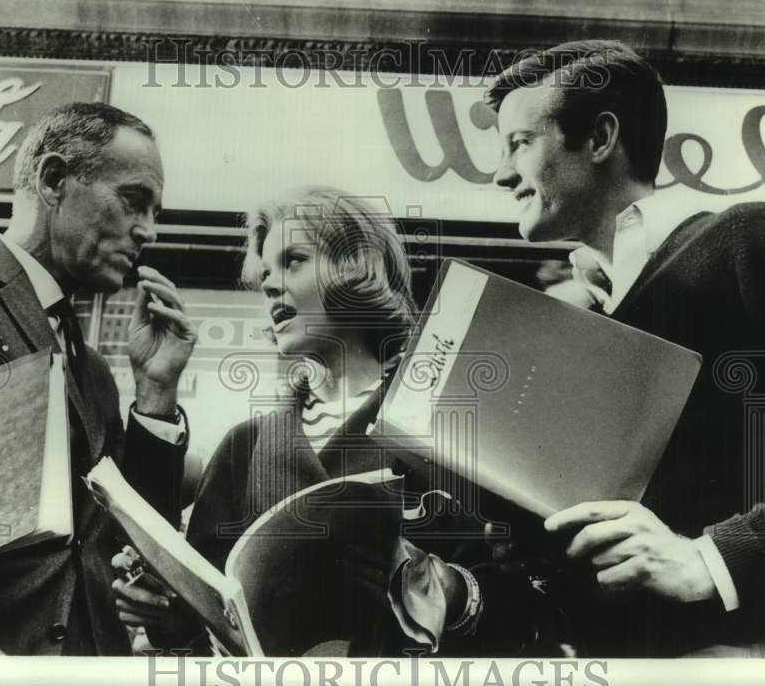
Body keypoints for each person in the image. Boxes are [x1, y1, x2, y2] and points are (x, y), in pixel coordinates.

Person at [484, 40, 765, 657]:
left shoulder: (751, 239)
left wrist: (710, 559)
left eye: (518, 143)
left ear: (599, 138)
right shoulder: (584, 313)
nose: (500, 172)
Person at [111, 187, 554, 656]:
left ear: (358, 266)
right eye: (265, 272)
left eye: (294, 260)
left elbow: (529, 610)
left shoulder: (450, 422)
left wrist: (451, 590)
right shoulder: (245, 446)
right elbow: (194, 631)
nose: (269, 284)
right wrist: (163, 614)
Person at [0, 102, 196, 655]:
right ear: (54, 180)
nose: (147, 231)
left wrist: (155, 393)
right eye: (133, 201)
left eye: (154, 212)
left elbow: (133, 549)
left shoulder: (97, 374)